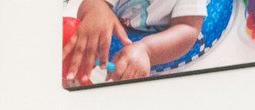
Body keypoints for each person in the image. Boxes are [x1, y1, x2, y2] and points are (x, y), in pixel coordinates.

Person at [63, 0, 204, 85]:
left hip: (164, 32)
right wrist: (97, 9)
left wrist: (148, 50)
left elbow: (188, 27)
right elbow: (93, 3)